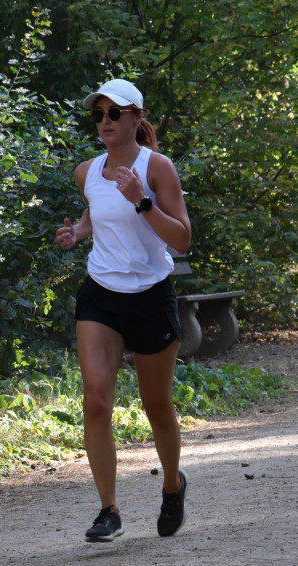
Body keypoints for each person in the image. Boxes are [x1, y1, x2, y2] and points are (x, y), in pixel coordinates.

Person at [55, 78, 192, 542]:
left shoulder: (158, 168)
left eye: (115, 113)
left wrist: (142, 200)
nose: (106, 122)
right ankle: (108, 510)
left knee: (156, 406)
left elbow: (182, 238)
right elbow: (97, 211)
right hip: (101, 295)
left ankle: (172, 487)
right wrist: (79, 232)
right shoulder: (85, 171)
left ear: (136, 117)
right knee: (96, 402)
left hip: (151, 295)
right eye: (99, 114)